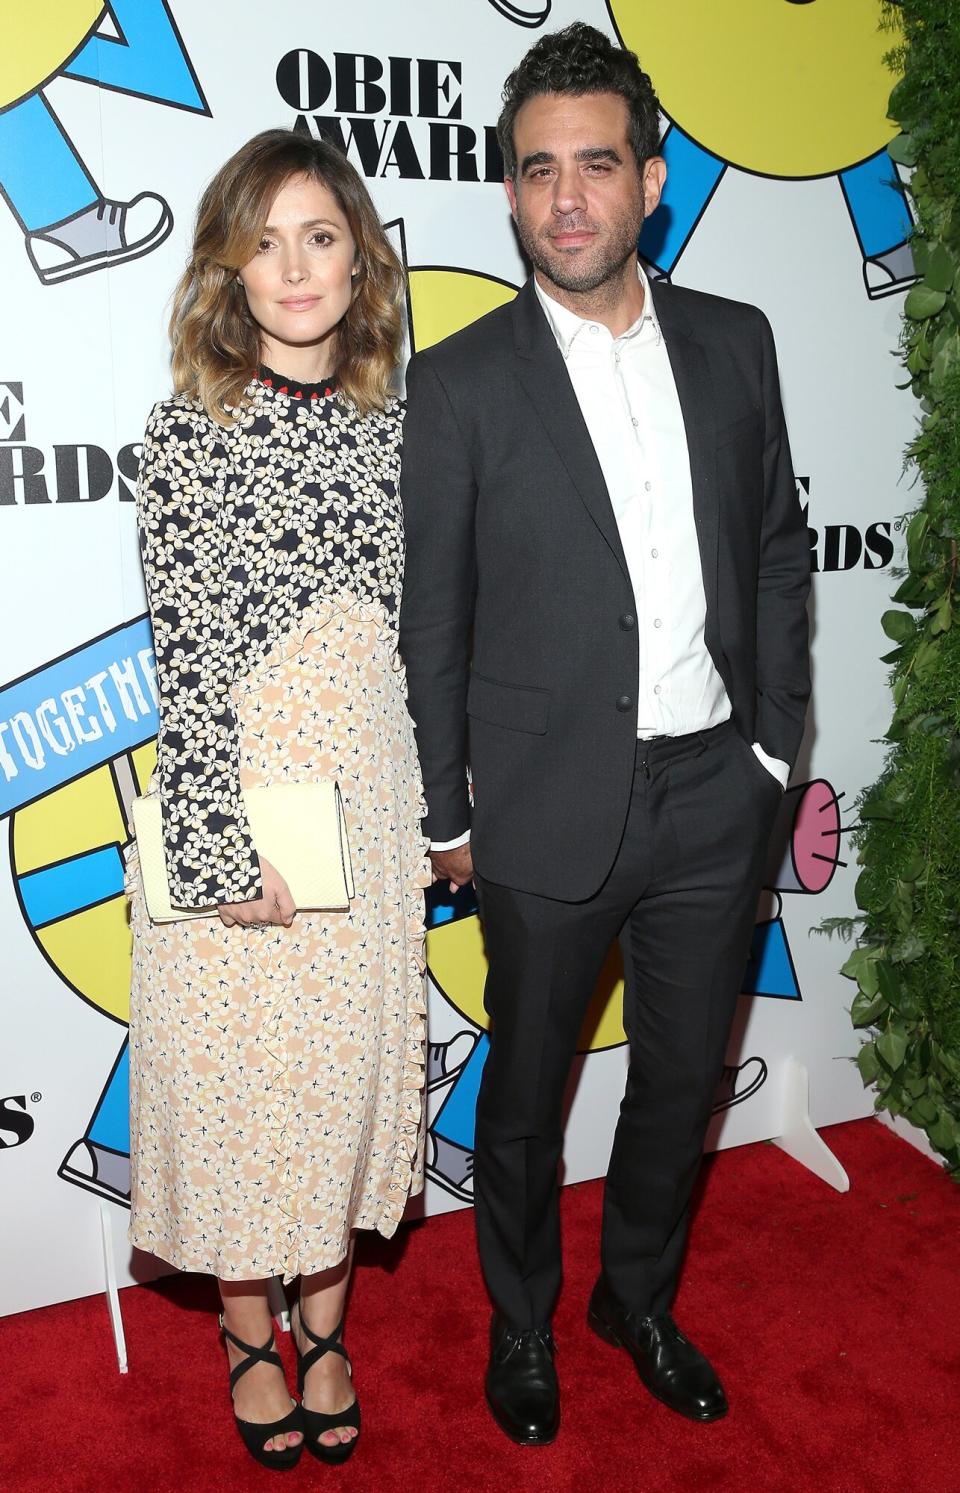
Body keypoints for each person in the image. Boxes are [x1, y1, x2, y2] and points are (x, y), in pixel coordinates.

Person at [399, 23, 810, 1445]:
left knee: (684, 1079)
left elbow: (772, 550)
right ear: (508, 197)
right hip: (542, 807)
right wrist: (445, 814)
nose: (567, 197)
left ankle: (633, 1295)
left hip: (715, 792)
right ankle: (521, 1320)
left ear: (649, 180)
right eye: (536, 171)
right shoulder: (455, 384)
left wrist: (773, 754)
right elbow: (433, 621)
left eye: (596, 164)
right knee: (522, 1097)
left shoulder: (736, 342)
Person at [127, 128, 429, 1470]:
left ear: (360, 257)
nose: (295, 266)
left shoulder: (403, 428)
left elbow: (426, 633)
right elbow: (183, 655)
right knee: (246, 1078)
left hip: (368, 781)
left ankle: (328, 1328)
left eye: (321, 235)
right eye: (266, 239)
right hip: (243, 789)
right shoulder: (190, 432)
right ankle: (251, 1331)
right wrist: (210, 844)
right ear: (228, 268)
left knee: (341, 1074)